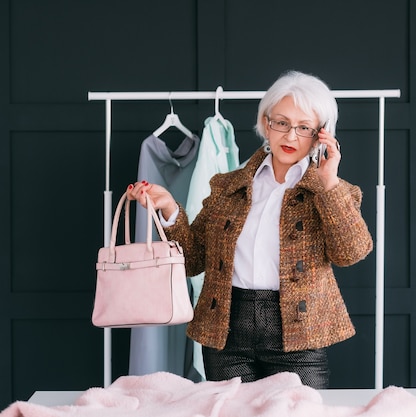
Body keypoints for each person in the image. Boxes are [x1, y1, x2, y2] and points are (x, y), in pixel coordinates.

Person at [127, 70, 373, 388]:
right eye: (281, 122)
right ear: (265, 122)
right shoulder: (228, 185)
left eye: (304, 128)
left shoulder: (334, 191)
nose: (290, 136)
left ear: (321, 135)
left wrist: (327, 184)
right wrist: (170, 210)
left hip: (298, 337)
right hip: (227, 332)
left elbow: (351, 252)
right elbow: (193, 259)